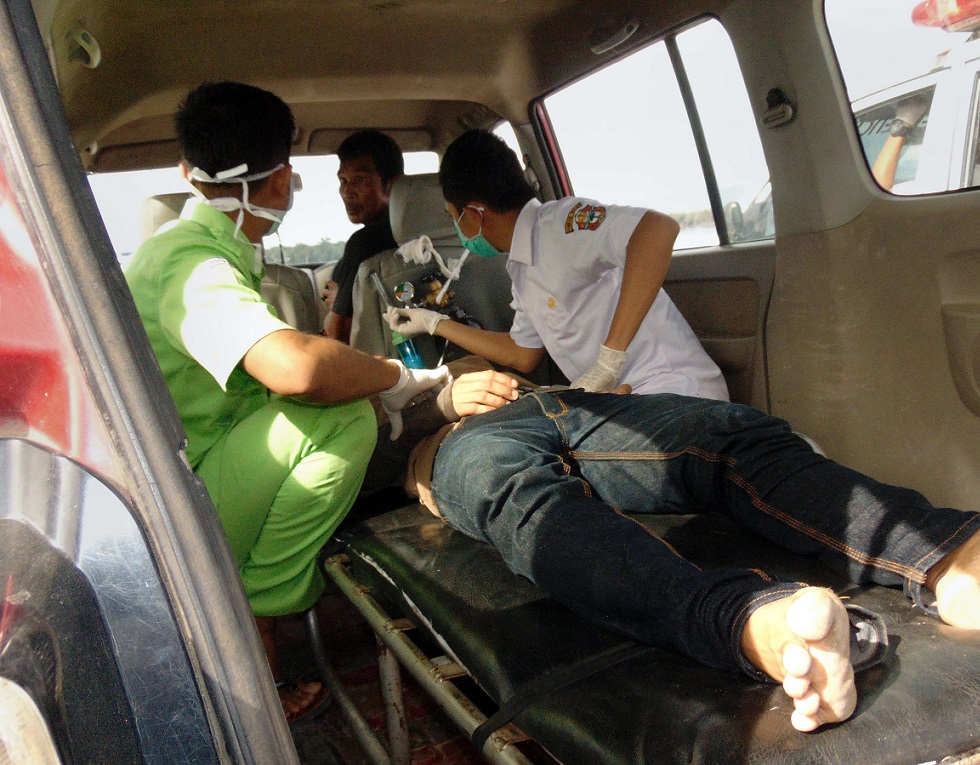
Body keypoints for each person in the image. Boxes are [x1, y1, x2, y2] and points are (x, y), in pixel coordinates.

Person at [397, 385, 980, 734]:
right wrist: (440, 402)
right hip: (461, 443)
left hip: (568, 400)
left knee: (732, 432)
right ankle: (756, 622)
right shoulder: (382, 410)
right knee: (524, 502)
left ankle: (964, 557)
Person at [124, 81, 520, 724]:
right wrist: (402, 378)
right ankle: (264, 593)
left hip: (206, 456)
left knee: (359, 410)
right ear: (280, 182)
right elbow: (299, 368)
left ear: (184, 173)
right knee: (342, 417)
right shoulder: (190, 263)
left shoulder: (198, 252)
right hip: (188, 490)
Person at [384, 129, 729, 400]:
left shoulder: (562, 226)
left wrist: (609, 359)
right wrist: (434, 323)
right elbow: (522, 354)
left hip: (676, 393)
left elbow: (657, 230)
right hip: (629, 399)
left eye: (453, 217)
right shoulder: (522, 264)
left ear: (473, 215)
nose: (459, 231)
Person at [322, 129, 404, 343]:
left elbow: (337, 334)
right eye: (343, 180)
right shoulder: (426, 234)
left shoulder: (365, 243)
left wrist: (336, 305)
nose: (348, 192)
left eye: (360, 179)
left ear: (392, 184)